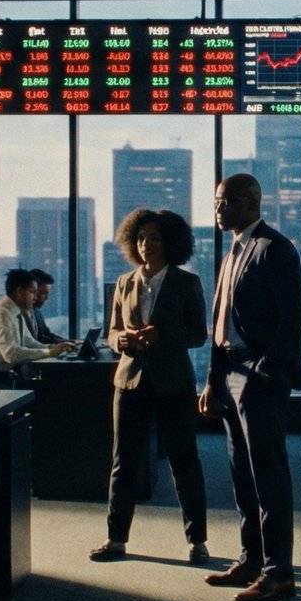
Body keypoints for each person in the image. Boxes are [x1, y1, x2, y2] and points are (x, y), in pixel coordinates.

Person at [198, 173, 301, 601]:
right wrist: (212, 381)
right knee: (241, 473)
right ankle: (251, 560)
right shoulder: (233, 253)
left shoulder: (274, 248)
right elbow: (220, 324)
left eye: (224, 201)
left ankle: (279, 573)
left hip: (258, 377)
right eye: (216, 200)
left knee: (268, 475)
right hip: (229, 373)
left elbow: (295, 316)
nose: (217, 208)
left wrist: (264, 369)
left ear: (250, 202)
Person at [89, 208, 211, 564]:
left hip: (173, 382)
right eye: (141, 238)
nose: (146, 245)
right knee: (122, 463)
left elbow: (199, 335)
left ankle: (197, 541)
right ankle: (115, 540)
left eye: (154, 238)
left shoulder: (187, 282)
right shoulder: (124, 283)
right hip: (129, 382)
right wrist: (120, 341)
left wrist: (163, 335)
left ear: (170, 242)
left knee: (184, 461)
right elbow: (111, 331)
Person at [0, 268, 74, 371]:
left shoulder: (16, 312)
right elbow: (10, 354)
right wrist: (50, 352)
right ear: (19, 291)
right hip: (1, 379)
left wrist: (55, 347)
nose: (35, 298)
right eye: (32, 292)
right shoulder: (3, 313)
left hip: (12, 374)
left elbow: (31, 343)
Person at [27, 268, 76, 348]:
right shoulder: (24, 314)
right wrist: (64, 344)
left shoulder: (36, 310)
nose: (47, 298)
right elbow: (39, 339)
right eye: (43, 293)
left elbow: (47, 334)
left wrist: (70, 342)